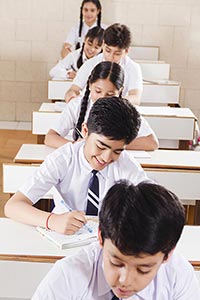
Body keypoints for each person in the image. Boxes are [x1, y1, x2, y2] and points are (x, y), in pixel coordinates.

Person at [31, 180, 200, 299]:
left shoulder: (178, 276)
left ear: (167, 255)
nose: (124, 280)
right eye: (116, 263)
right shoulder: (68, 275)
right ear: (100, 238)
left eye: (143, 270)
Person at [4, 97, 149, 235]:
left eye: (117, 151)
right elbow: (12, 207)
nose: (106, 158)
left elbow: (153, 205)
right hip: (63, 233)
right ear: (85, 131)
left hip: (108, 240)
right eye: (101, 146)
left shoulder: (126, 164)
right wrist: (52, 220)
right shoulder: (63, 158)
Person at [45, 61, 159, 150]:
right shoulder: (77, 105)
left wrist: (113, 145)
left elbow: (152, 142)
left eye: (110, 94)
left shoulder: (126, 110)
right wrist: (79, 146)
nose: (102, 98)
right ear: (89, 85)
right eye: (98, 91)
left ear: (120, 91)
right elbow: (50, 137)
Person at [65, 23, 143, 105]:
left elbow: (135, 98)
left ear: (126, 51)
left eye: (117, 54)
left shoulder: (133, 68)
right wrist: (71, 97)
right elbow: (74, 89)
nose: (110, 57)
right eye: (108, 50)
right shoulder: (91, 64)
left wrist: (113, 103)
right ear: (103, 44)